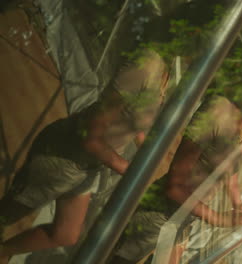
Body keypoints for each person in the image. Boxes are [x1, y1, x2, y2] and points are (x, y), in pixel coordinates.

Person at [108, 36, 242, 264]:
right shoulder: (217, 111)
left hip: (181, 221)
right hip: (156, 219)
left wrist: (238, 205)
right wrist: (221, 219)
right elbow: (174, 186)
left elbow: (230, 166)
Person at [0, 51, 168, 263]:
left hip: (87, 167)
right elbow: (91, 138)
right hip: (63, 156)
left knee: (65, 234)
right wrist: (131, 171)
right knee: (7, 214)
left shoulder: (163, 70)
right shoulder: (144, 66)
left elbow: (136, 117)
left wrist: (146, 148)